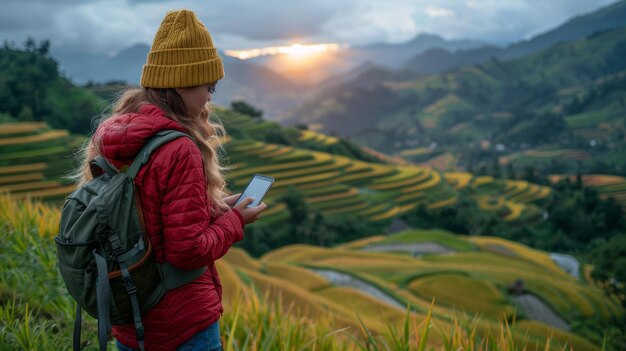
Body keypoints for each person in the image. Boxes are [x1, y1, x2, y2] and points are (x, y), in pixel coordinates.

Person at [70, 9, 266, 351]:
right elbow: (185, 251)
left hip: (131, 310)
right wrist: (236, 222)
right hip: (180, 324)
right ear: (180, 82)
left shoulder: (116, 132)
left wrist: (215, 210)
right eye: (209, 86)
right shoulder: (179, 148)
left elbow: (149, 220)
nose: (209, 96)